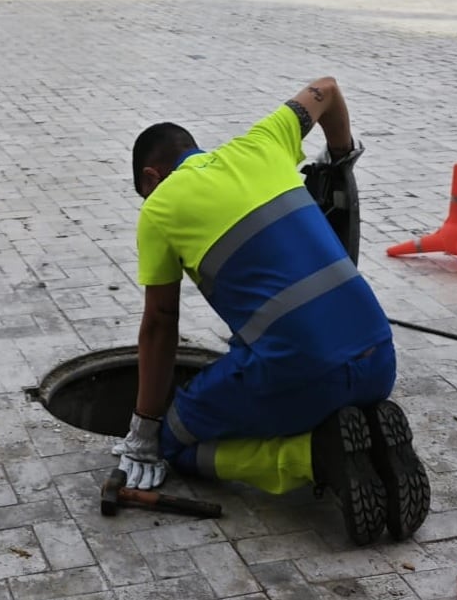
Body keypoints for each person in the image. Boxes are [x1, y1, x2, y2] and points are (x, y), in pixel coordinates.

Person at [117, 77, 431, 547]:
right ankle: (365, 437)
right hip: (379, 360)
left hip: (304, 375)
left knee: (173, 442)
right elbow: (326, 90)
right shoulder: (265, 141)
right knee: (265, 348)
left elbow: (161, 325)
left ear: (150, 179)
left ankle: (317, 457)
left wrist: (144, 432)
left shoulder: (160, 208)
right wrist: (340, 161)